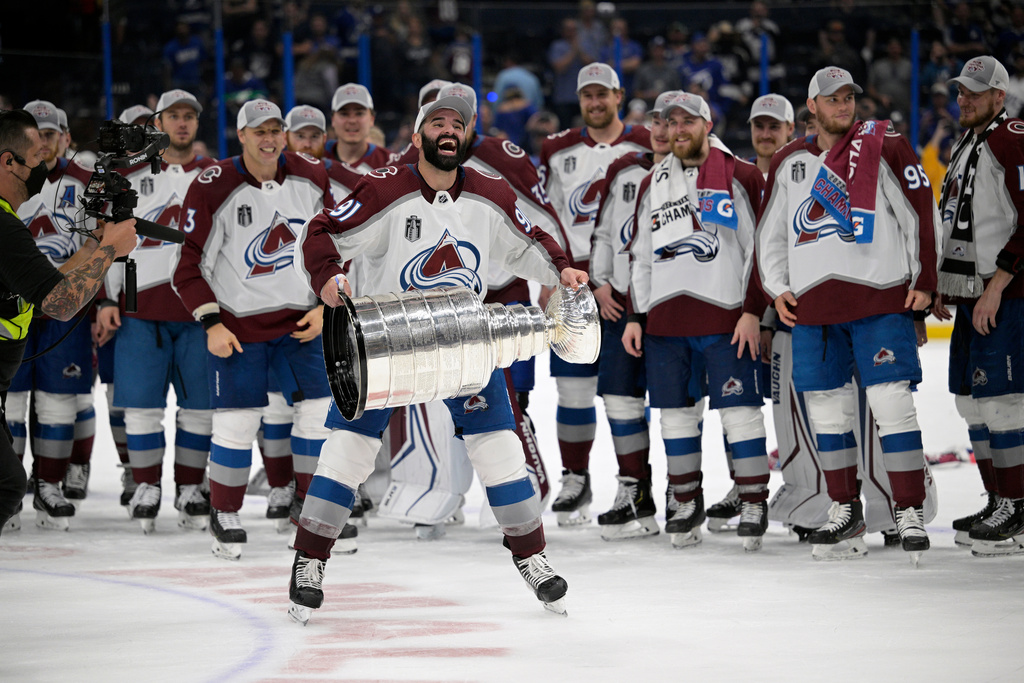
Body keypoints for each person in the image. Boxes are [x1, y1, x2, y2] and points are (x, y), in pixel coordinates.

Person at [288, 92, 587, 624]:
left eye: (458, 124)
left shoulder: (491, 191)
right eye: (437, 122)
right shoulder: (384, 187)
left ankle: (533, 559)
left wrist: (560, 269)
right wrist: (328, 278)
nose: (448, 130)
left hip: (463, 339)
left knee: (499, 448)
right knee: (347, 452)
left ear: (467, 135)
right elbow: (322, 232)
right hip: (386, 342)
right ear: (417, 134)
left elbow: (528, 242)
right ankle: (308, 561)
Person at [755, 67, 941, 564]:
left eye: (848, 98)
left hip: (879, 300)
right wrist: (777, 290)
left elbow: (919, 211)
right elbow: (770, 236)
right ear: (810, 107)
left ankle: (909, 510)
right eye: (832, 99)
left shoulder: (885, 145)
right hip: (814, 309)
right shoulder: (789, 160)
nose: (843, 106)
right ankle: (844, 510)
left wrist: (924, 281)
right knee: (825, 411)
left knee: (891, 403)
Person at [172, 99, 335, 560]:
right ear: (240, 135)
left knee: (316, 416)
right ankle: (223, 512)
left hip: (302, 323)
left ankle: (310, 511)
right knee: (237, 423)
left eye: (275, 129)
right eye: (257, 130)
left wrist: (326, 307)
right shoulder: (213, 185)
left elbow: (334, 246)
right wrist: (211, 322)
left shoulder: (311, 175)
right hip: (238, 328)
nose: (269, 138)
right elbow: (186, 266)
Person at [623, 93, 770, 552]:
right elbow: (641, 254)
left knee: (740, 414)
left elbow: (760, 250)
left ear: (708, 125)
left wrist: (751, 311)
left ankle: (752, 500)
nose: (678, 129)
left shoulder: (740, 174)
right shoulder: (652, 182)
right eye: (671, 122)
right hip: (666, 320)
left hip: (725, 317)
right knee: (675, 419)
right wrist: (636, 315)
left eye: (688, 121)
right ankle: (685, 501)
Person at [0, 109, 137, 535]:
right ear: (8, 162)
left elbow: (46, 287)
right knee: (7, 486)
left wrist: (97, 243)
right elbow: (59, 303)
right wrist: (111, 251)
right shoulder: (3, 227)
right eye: (34, 160)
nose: (41, 170)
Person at [96, 89, 217, 534]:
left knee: (199, 410)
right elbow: (106, 244)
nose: (182, 123)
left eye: (190, 116)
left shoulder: (214, 175)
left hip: (198, 310)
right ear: (157, 123)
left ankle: (190, 486)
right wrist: (108, 299)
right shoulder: (124, 175)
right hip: (138, 307)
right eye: (173, 116)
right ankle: (146, 484)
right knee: (142, 409)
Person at [539, 62, 650, 526]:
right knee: (573, 388)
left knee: (626, 394)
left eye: (603, 94)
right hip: (572, 282)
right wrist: (546, 282)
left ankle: (637, 486)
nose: (595, 102)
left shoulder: (648, 141)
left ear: (619, 95)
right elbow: (545, 219)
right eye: (588, 95)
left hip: (629, 285)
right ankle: (576, 479)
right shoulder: (557, 149)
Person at [935, 56, 1024, 557]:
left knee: (1003, 401)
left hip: (1004, 293)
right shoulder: (968, 140)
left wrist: (998, 284)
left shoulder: (1011, 136)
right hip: (971, 293)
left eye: (973, 91)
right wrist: (950, 283)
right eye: (960, 91)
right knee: (971, 402)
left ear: (999, 96)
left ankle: (1017, 504)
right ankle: (999, 500)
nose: (962, 98)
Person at [588, 90, 679, 540]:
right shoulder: (623, 169)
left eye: (671, 122)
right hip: (622, 304)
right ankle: (634, 488)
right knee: (620, 399)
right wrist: (600, 282)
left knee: (681, 405)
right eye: (656, 122)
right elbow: (604, 233)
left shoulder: (702, 172)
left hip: (675, 306)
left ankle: (682, 490)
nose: (662, 131)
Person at [7, 100, 100, 530]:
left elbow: (102, 241)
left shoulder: (85, 181)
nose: (44, 144)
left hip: (62, 305)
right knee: (12, 404)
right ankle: (11, 487)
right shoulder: (14, 183)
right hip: (23, 305)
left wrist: (109, 297)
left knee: (59, 402)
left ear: (66, 136)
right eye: (37, 136)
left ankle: (48, 484)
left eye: (51, 134)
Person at [324, 84, 391, 172]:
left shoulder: (390, 163)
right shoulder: (315, 156)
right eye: (344, 114)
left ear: (372, 119)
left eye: (359, 113)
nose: (352, 120)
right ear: (333, 120)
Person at [747, 93, 794, 175]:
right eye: (759, 126)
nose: (765, 135)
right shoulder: (737, 175)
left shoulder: (801, 175)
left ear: (790, 128)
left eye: (774, 127)